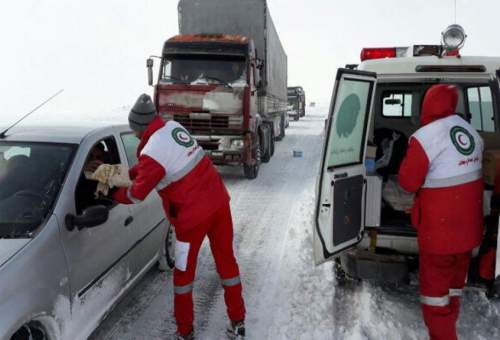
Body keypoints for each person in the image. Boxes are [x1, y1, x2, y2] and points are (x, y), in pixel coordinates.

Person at [112, 94, 246, 340]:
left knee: (183, 276)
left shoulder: (151, 152)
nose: (134, 135)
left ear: (141, 128)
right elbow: (155, 164)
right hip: (219, 206)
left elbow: (136, 194)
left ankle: (185, 333)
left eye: (134, 130)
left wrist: (112, 192)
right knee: (227, 264)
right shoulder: (173, 128)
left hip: (191, 222)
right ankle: (238, 322)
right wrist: (129, 172)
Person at [398, 84, 484, 340]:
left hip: (440, 236)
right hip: (468, 233)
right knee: (454, 288)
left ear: (427, 105)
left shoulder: (425, 138)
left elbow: (407, 182)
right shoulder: (471, 132)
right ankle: (450, 325)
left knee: (435, 299)